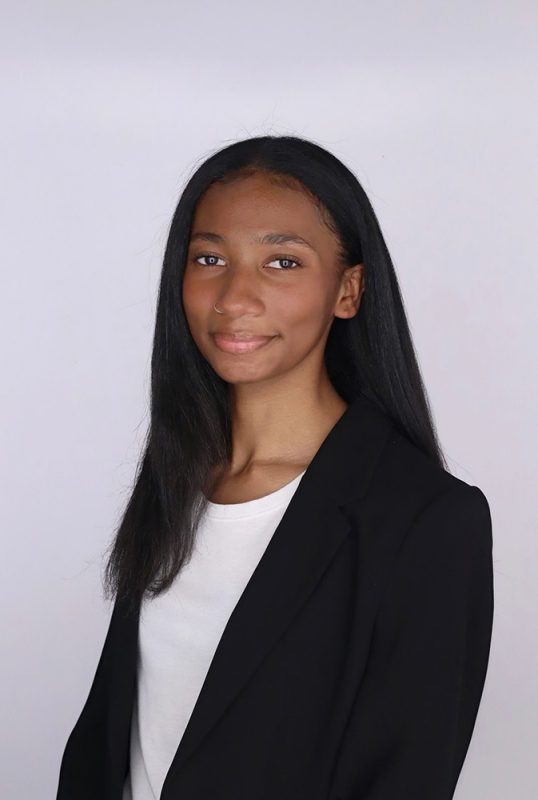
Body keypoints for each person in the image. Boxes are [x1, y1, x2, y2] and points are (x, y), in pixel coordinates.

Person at [56, 135, 494, 800]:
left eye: (282, 262)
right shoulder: (179, 477)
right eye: (209, 258)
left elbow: (403, 779)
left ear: (348, 289)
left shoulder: (425, 519)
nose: (235, 296)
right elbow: (112, 738)